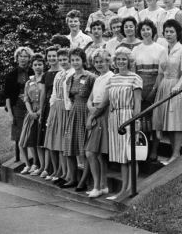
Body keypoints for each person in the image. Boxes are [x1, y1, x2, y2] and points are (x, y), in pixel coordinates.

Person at [153, 19, 182, 164]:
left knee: (176, 121)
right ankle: (173, 153)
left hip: (177, 86)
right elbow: (160, 73)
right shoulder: (162, 50)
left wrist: (178, 86)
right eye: (166, 32)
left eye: (171, 32)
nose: (168, 34)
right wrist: (155, 89)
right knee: (166, 122)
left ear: (177, 33)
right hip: (164, 86)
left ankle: (176, 154)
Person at [105, 47, 142, 200]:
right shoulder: (112, 79)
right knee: (121, 155)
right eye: (118, 59)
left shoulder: (135, 78)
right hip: (114, 117)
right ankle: (123, 189)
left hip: (128, 117)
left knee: (130, 154)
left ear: (129, 61)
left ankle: (131, 187)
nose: (121, 62)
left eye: (124, 59)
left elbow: (138, 102)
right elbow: (108, 102)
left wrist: (136, 120)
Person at [132, 19, 167, 160]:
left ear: (153, 31)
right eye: (142, 29)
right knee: (142, 121)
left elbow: (161, 73)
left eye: (148, 29)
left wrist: (154, 89)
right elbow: (134, 72)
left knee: (155, 120)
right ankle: (143, 149)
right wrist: (137, 92)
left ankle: (154, 150)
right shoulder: (136, 49)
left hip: (155, 85)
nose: (145, 32)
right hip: (140, 86)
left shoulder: (161, 49)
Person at [61, 48, 96, 190]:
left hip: (86, 112)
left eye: (77, 59)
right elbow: (69, 97)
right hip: (74, 112)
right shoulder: (70, 78)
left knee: (86, 148)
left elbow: (95, 97)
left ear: (83, 61)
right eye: (73, 60)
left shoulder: (90, 77)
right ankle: (73, 178)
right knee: (69, 145)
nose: (75, 62)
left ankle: (83, 180)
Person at [84, 49, 114, 198]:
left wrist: (91, 117)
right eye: (96, 62)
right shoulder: (98, 78)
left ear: (108, 61)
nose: (99, 64)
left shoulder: (111, 77)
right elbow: (90, 98)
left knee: (91, 152)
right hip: (95, 112)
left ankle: (97, 186)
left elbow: (105, 102)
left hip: (102, 115)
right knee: (99, 154)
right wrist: (90, 107)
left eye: (102, 61)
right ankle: (103, 186)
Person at [43, 48, 71, 186]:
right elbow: (54, 94)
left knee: (64, 142)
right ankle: (60, 171)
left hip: (66, 109)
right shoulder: (59, 74)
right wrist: (51, 111)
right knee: (56, 141)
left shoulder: (71, 73)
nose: (63, 62)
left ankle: (66, 173)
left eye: (65, 59)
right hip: (56, 108)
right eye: (61, 60)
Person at [5, 46, 34, 163]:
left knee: (32, 135)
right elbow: (7, 96)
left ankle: (35, 163)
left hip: (32, 106)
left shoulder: (33, 71)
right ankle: (26, 163)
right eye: (20, 56)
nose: (23, 58)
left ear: (29, 58)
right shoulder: (11, 75)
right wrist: (10, 115)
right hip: (17, 107)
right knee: (20, 136)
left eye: (25, 56)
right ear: (17, 58)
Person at [18, 53, 45, 174]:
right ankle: (30, 164)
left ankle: (37, 164)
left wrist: (40, 111)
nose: (38, 67)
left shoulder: (46, 79)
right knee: (25, 140)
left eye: (40, 64)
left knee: (37, 140)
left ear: (44, 65)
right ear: (32, 66)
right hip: (31, 113)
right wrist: (30, 112)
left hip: (42, 111)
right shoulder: (29, 82)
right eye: (35, 65)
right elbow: (26, 99)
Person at [38, 46, 60, 179]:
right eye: (49, 56)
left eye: (54, 56)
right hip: (47, 107)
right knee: (47, 138)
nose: (52, 58)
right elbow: (43, 94)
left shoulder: (63, 72)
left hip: (57, 106)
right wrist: (41, 111)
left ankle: (56, 169)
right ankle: (48, 168)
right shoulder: (46, 74)